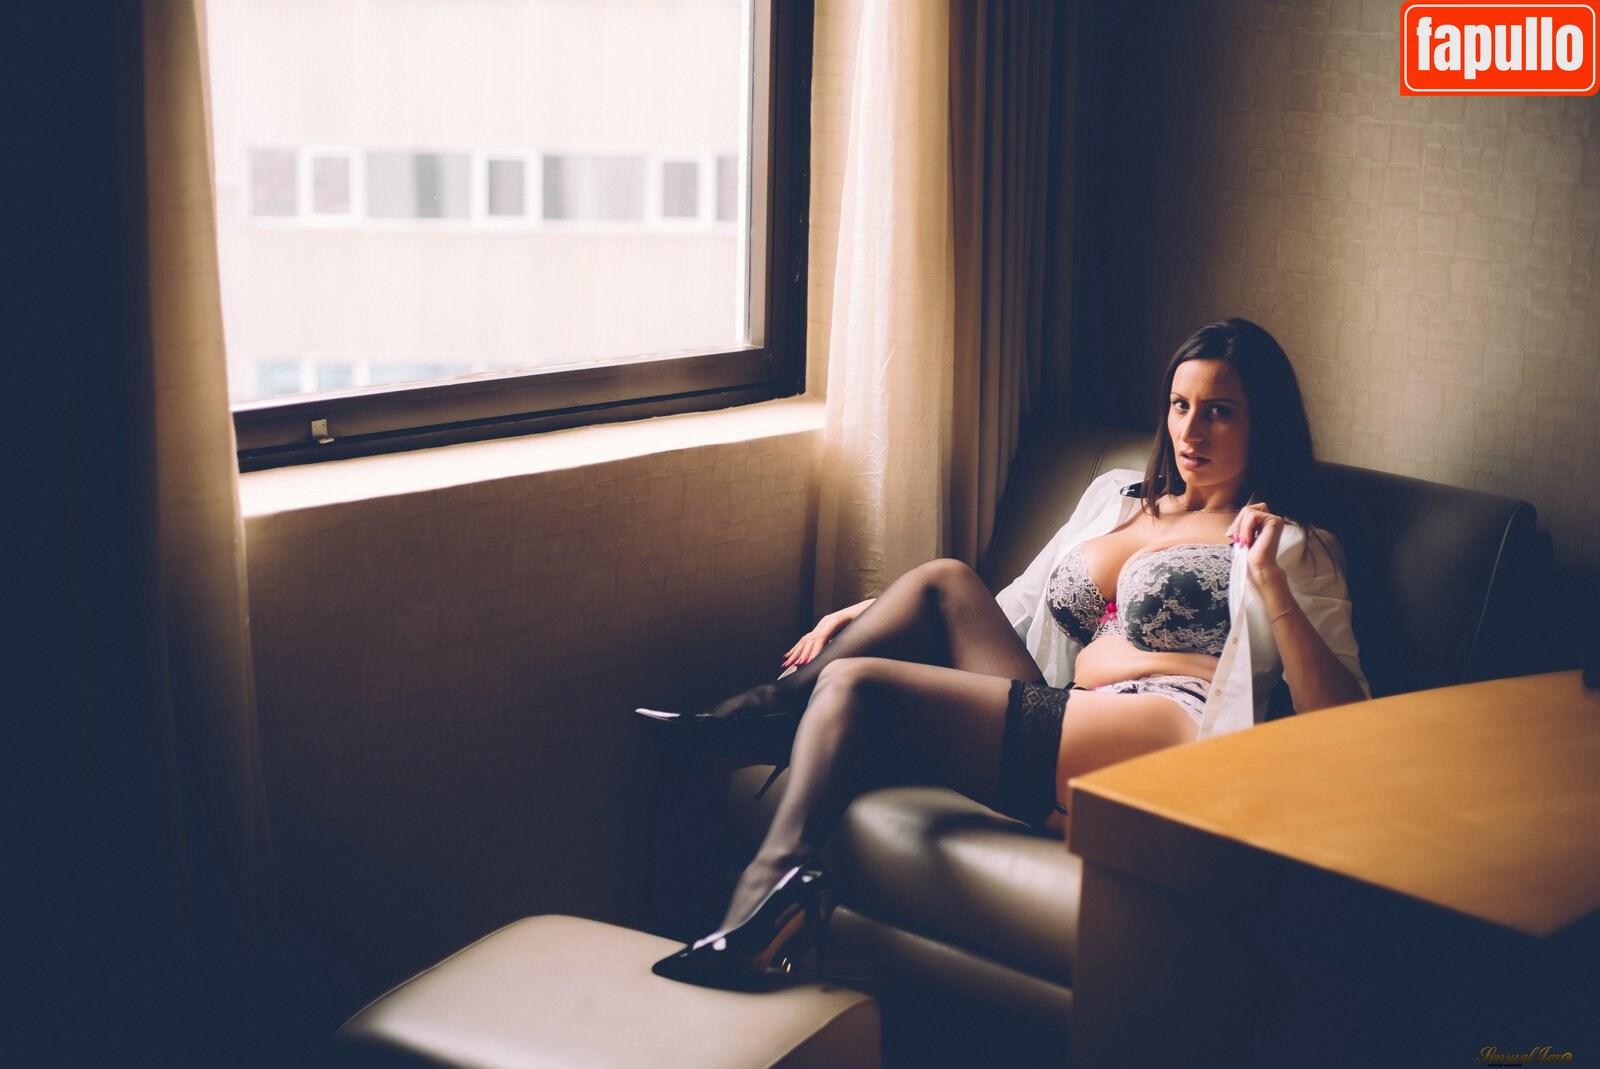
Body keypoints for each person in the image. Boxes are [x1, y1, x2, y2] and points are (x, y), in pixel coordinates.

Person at [646, 317, 1368, 989]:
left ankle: (759, 890)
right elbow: (1015, 605)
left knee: (857, 688)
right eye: (1180, 405)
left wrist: (1268, 583)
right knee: (944, 581)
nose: (1191, 428)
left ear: (1263, 424)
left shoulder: (1289, 543)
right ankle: (761, 716)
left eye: (1220, 411)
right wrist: (873, 609)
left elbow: (1345, 720)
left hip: (1168, 740)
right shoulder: (1117, 497)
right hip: (1076, 712)